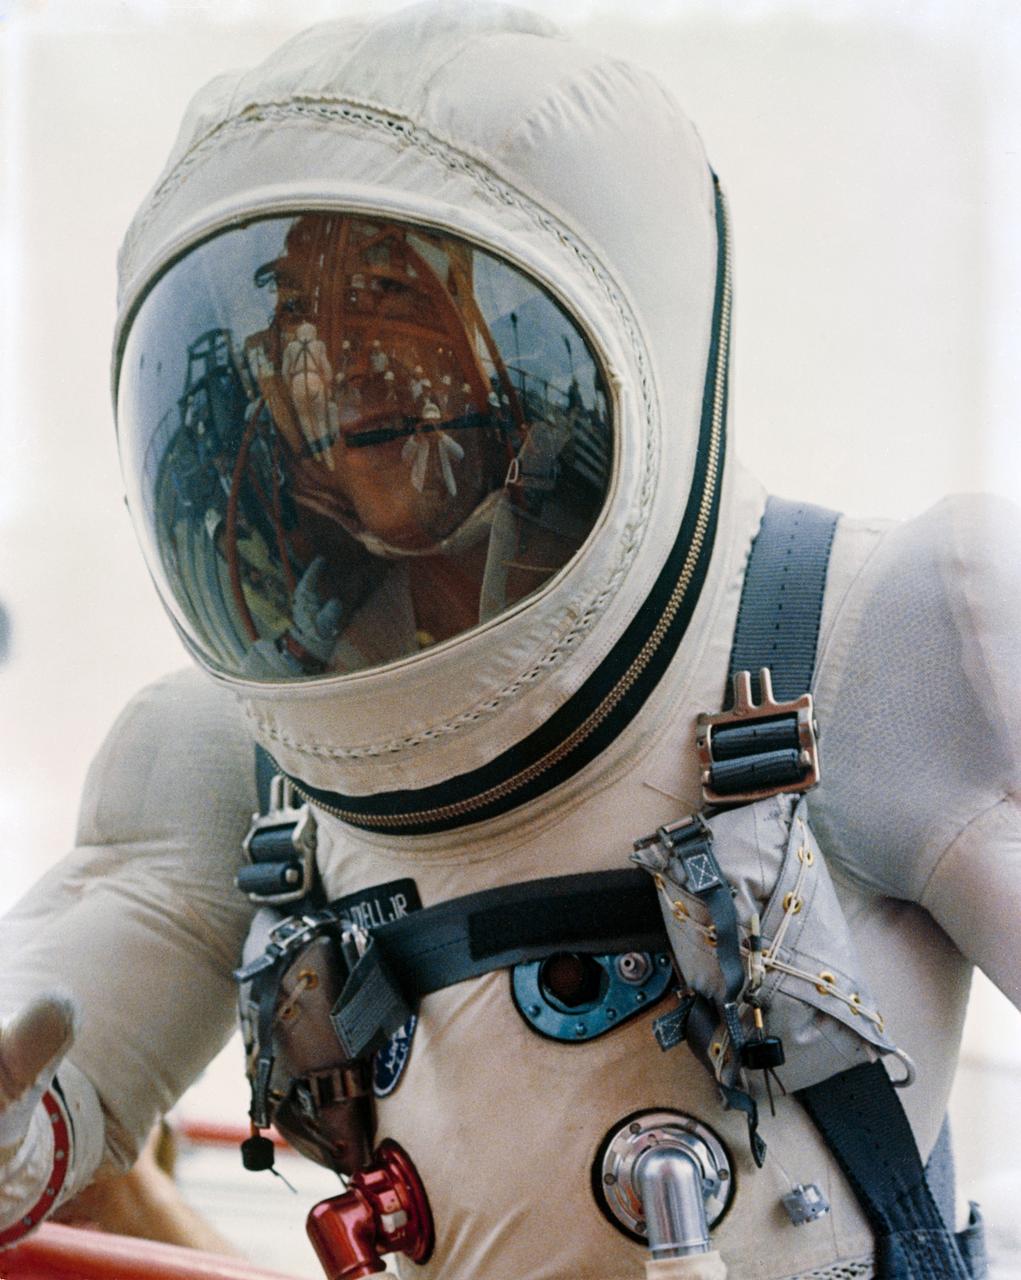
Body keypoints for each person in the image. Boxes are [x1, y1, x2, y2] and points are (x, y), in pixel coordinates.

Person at [1, 5, 1019, 1278]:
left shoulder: (891, 633)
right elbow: (53, 1055)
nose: (337, 362)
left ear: (598, 313)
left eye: (386, 293)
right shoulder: (232, 759)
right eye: (292, 308)